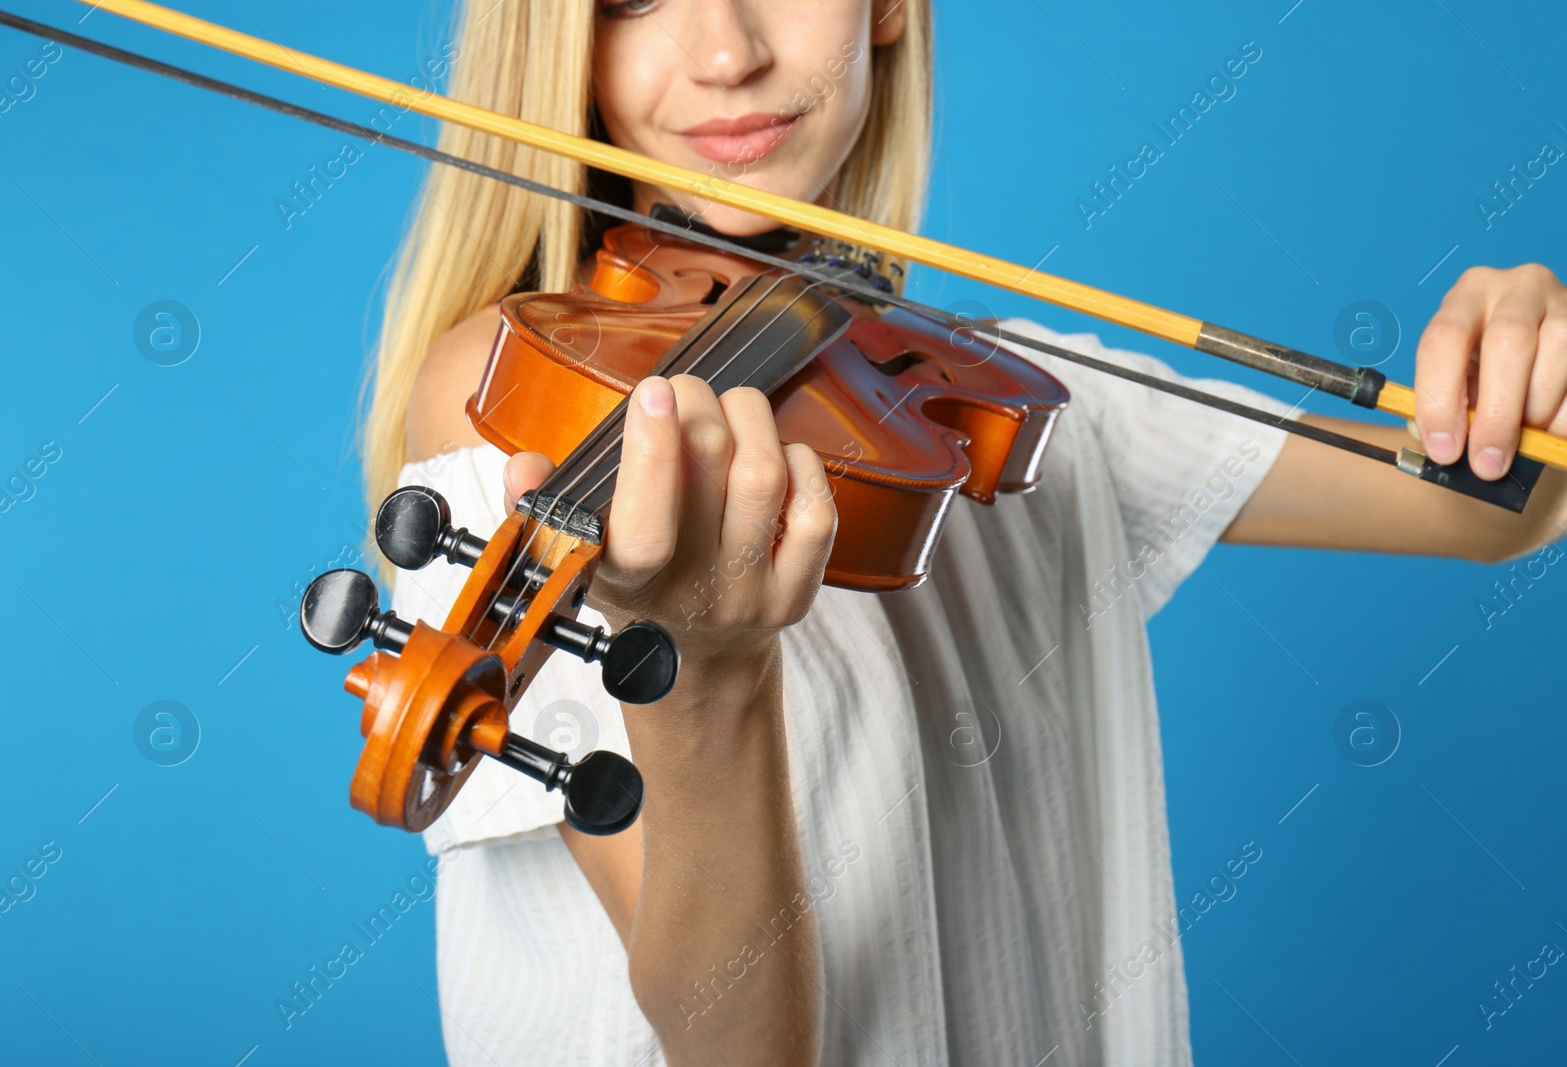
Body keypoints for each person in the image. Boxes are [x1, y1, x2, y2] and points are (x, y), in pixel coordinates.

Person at [360, 1, 1567, 1063]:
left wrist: (1528, 350)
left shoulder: (969, 397)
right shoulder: (513, 399)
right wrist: (710, 683)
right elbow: (732, 1048)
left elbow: (1492, 505)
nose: (725, 50)